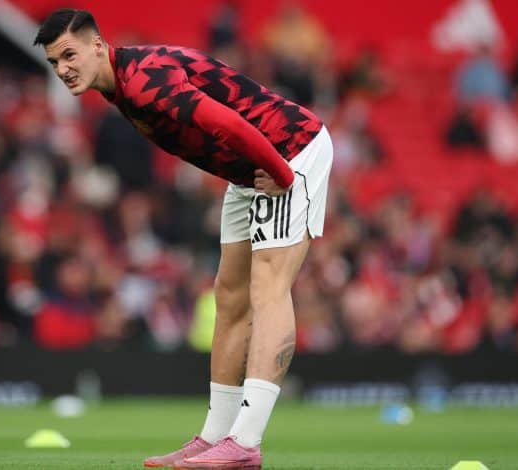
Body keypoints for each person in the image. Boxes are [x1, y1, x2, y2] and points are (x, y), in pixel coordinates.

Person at [34, 9, 332, 469]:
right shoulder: (121, 87)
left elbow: (230, 125)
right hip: (247, 169)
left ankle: (246, 443)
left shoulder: (144, 82)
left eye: (69, 55)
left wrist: (282, 176)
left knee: (268, 287)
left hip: (286, 151)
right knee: (229, 296)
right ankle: (217, 437)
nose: (64, 69)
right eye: (56, 62)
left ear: (98, 45)